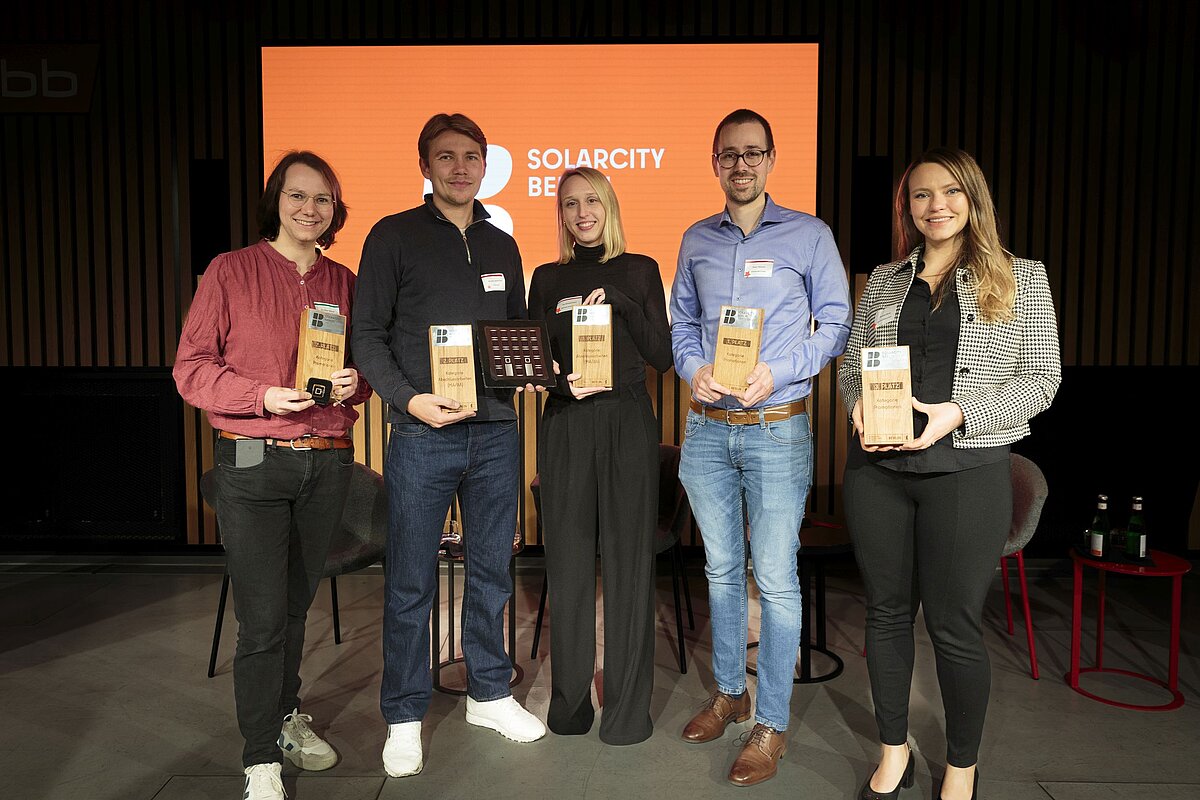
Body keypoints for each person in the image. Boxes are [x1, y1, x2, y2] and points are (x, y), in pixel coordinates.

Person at [839, 147, 1061, 800]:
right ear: (906, 207)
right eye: (920, 195)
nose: (935, 205)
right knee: (885, 615)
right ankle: (893, 751)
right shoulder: (885, 279)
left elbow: (1041, 379)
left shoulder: (1020, 277)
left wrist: (959, 412)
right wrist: (856, 408)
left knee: (954, 626)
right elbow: (852, 366)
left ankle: (961, 767)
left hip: (966, 469)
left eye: (950, 191)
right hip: (878, 470)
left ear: (973, 198)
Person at [351, 112, 546, 779]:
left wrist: (536, 369)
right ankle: (404, 715)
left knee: (492, 571)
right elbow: (367, 335)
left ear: (485, 165)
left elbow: (516, 331)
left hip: (494, 433)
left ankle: (489, 694)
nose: (460, 168)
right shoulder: (393, 235)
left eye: (471, 157)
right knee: (410, 581)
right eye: (446, 157)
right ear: (425, 165)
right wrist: (409, 401)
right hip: (421, 435)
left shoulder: (502, 244)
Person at [174, 151, 369, 800]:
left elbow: (365, 370)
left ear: (335, 209)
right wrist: (260, 396)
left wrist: (356, 382)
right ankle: (259, 757)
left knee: (293, 607)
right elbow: (191, 369)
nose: (310, 209)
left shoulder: (344, 281)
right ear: (275, 201)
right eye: (298, 196)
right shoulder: (230, 271)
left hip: (328, 459)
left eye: (323, 199)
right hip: (254, 458)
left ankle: (285, 717)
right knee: (261, 620)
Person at [669, 109, 852, 786]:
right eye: (729, 154)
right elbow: (681, 324)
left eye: (752, 153)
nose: (740, 165)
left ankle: (771, 723)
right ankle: (730, 694)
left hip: (777, 426)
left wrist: (783, 369)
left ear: (771, 160)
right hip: (708, 429)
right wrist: (695, 368)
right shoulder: (696, 239)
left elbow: (836, 323)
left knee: (774, 578)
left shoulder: (810, 235)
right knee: (720, 571)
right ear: (714, 162)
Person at [527, 167, 672, 745]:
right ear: (560, 214)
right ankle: (569, 708)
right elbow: (530, 360)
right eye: (569, 204)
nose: (581, 212)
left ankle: (627, 714)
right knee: (566, 566)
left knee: (629, 568)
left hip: (627, 422)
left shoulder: (640, 270)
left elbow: (663, 356)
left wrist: (624, 305)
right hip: (566, 423)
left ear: (609, 205)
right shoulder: (546, 278)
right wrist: (558, 382)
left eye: (591, 200)